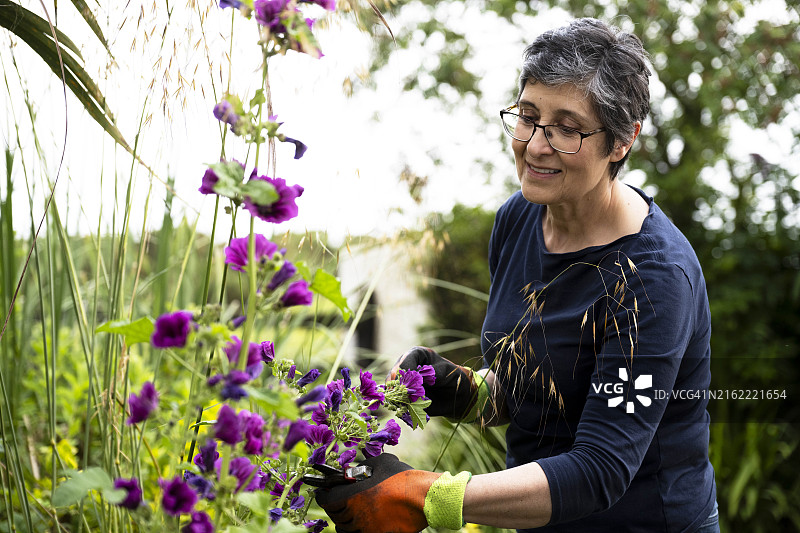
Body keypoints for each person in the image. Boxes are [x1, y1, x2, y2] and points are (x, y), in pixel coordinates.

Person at [316, 18, 719, 533]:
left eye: (567, 129)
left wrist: (424, 497)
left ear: (621, 141)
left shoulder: (653, 279)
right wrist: (466, 391)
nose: (534, 145)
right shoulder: (521, 218)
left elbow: (601, 469)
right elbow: (542, 389)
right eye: (527, 117)